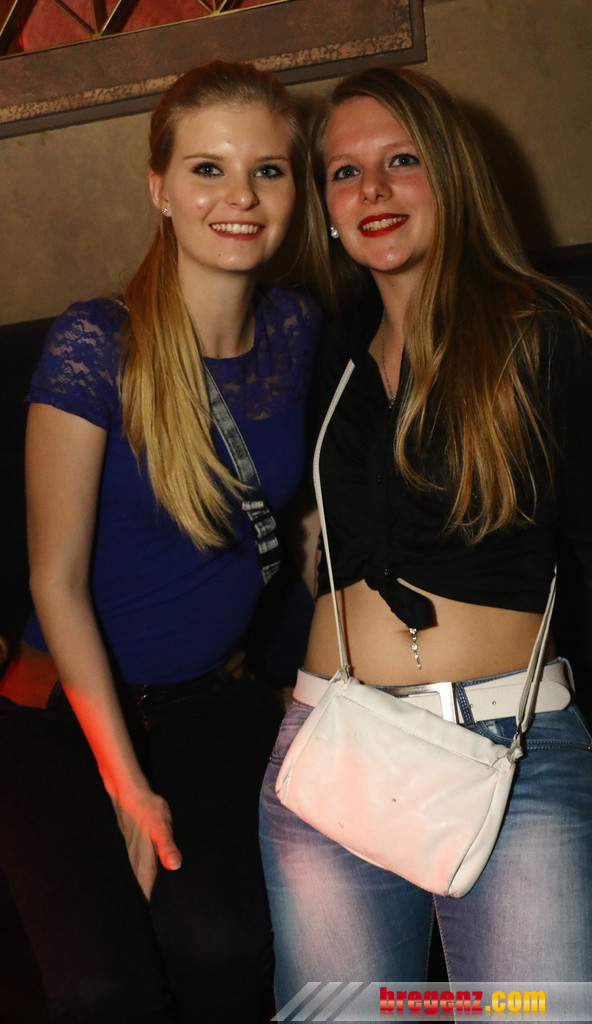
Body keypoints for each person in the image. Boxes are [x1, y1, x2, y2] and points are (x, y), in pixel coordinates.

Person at [259, 66, 592, 998]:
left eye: (401, 160)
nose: (372, 189)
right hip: (332, 742)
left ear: (449, 175)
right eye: (344, 172)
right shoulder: (330, 348)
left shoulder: (547, 336)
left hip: (511, 748)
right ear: (326, 209)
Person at [0, 61, 321, 1023]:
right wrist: (125, 783)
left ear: (295, 188)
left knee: (225, 950)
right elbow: (54, 583)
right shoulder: (95, 344)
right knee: (103, 990)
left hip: (211, 705)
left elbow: (294, 499)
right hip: (61, 711)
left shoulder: (298, 331)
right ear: (160, 189)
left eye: (267, 170)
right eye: (207, 169)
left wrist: (309, 544)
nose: (239, 197)